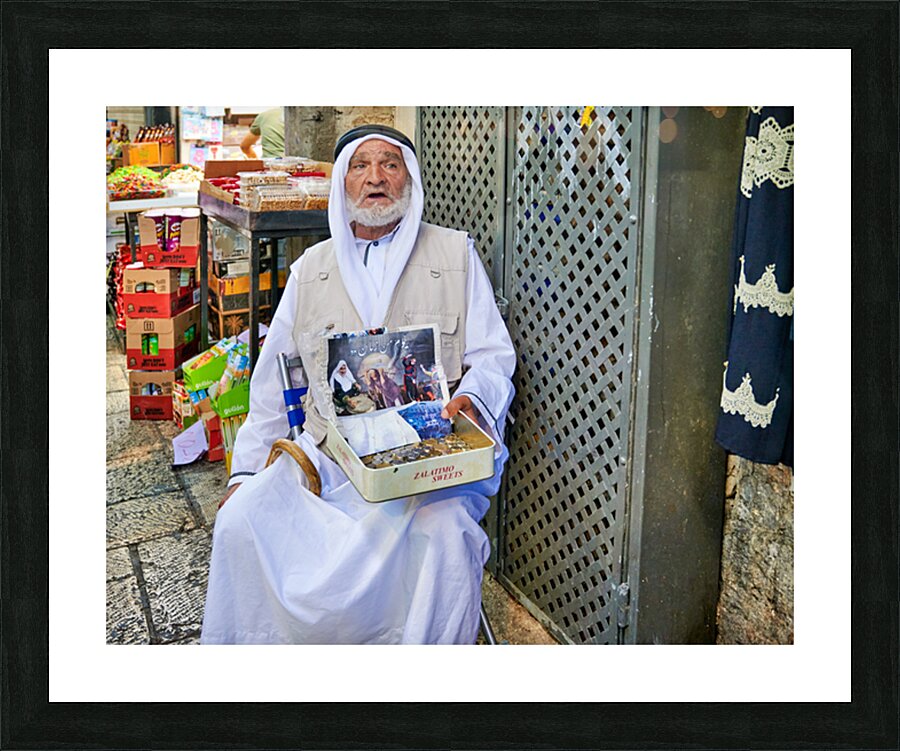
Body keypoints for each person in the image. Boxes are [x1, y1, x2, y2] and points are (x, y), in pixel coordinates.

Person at [200, 124, 515, 645]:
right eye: (361, 166)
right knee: (242, 522)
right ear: (343, 183)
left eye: (390, 165)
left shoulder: (454, 254)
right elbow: (269, 389)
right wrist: (245, 473)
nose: (376, 178)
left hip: (427, 465)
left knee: (446, 538)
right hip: (329, 458)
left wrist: (474, 402)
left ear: (408, 181)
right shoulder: (310, 271)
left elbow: (493, 356)